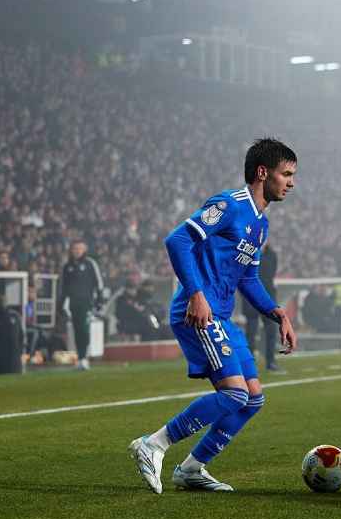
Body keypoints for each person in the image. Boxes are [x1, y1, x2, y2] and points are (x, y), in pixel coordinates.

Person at [128, 138, 299, 494]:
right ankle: (153, 444)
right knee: (235, 395)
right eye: (286, 174)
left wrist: (276, 312)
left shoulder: (260, 224)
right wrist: (195, 294)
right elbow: (177, 240)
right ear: (262, 172)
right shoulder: (229, 204)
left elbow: (248, 278)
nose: (291, 182)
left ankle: (192, 469)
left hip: (221, 316)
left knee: (253, 399)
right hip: (198, 313)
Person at [58, 239, 104, 370]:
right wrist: (61, 304)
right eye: (75, 249)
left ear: (84, 250)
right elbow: (64, 287)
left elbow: (99, 283)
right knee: (77, 330)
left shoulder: (90, 264)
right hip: (73, 303)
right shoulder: (67, 267)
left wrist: (100, 300)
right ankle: (81, 358)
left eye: (80, 248)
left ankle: (84, 357)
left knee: (84, 329)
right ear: (71, 250)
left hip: (87, 302)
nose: (77, 251)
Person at [244, 243, 283, 373]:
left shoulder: (272, 254)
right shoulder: (248, 251)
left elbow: (271, 273)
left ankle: (270, 361)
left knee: (271, 329)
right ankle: (249, 365)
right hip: (251, 295)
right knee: (251, 331)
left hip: (267, 296)